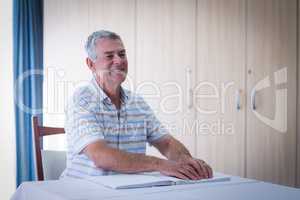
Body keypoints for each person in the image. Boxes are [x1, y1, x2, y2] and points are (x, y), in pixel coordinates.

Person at [61, 30, 213, 180]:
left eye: (122, 54)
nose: (119, 61)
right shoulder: (81, 100)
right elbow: (100, 155)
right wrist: (161, 164)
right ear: (91, 64)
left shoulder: (137, 102)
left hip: (130, 190)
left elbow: (166, 143)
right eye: (109, 56)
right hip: (85, 191)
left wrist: (186, 161)